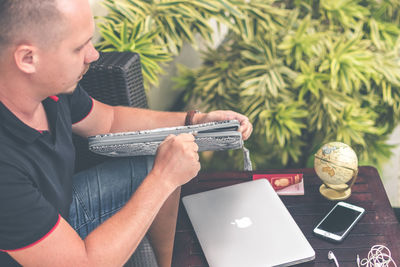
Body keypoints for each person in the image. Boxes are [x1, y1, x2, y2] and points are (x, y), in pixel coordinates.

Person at [0, 0, 253, 266]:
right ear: (28, 58)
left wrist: (196, 121)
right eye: (78, 48)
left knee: (152, 161)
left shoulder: (49, 89)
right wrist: (162, 180)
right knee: (158, 173)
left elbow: (109, 120)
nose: (93, 55)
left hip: (56, 211)